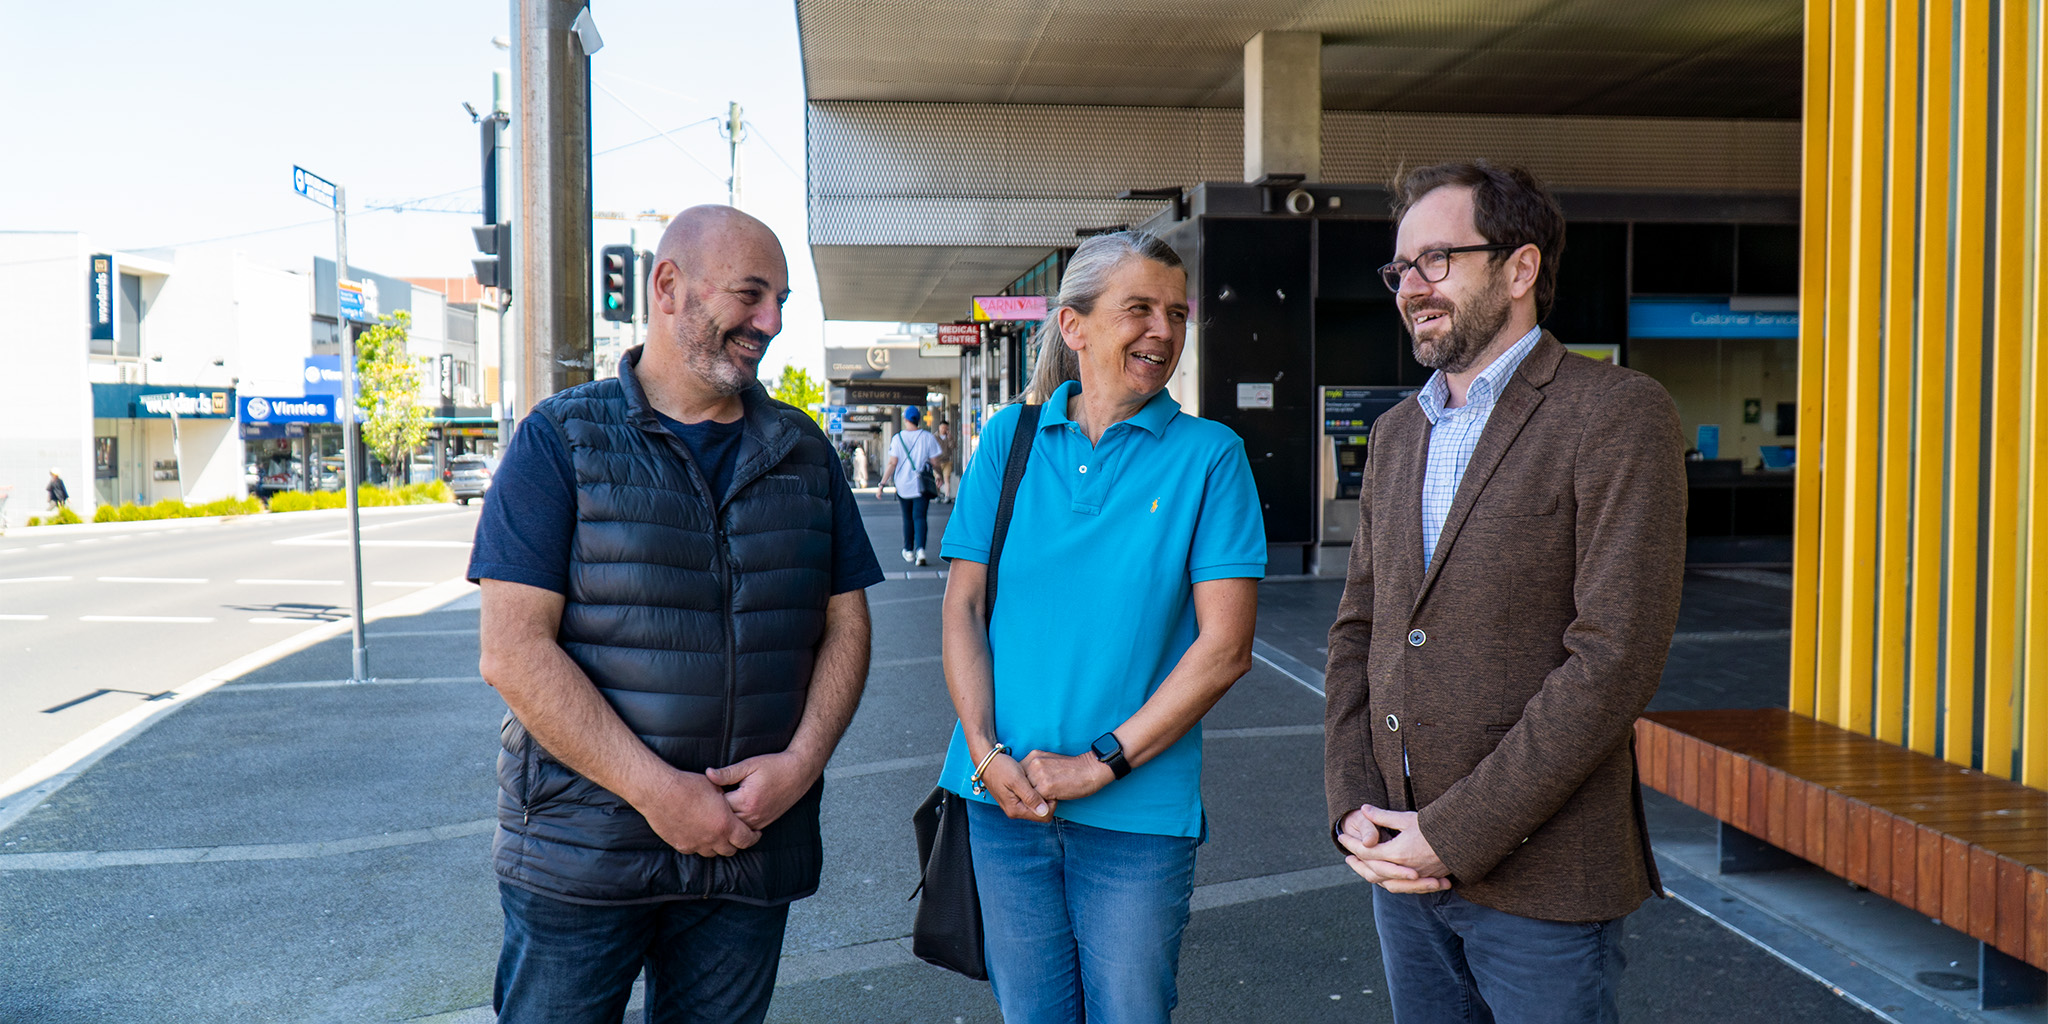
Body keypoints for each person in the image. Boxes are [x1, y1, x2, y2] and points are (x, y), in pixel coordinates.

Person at [468, 205, 885, 1024]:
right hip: (581, 858)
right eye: (751, 294)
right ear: (668, 287)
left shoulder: (804, 451)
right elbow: (513, 651)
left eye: (781, 301)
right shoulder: (561, 439)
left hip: (750, 851)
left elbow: (847, 627)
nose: (769, 322)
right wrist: (657, 792)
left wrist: (799, 766)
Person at [1323, 162, 1686, 1024]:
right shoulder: (1396, 432)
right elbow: (1358, 631)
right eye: (1401, 268)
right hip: (1398, 864)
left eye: (1438, 259)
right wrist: (1351, 807)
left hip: (1545, 882)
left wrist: (1453, 834)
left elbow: (1614, 660)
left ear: (1520, 270)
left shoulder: (1616, 412)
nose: (1411, 288)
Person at [936, 230, 1267, 1023]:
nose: (1163, 330)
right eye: (1140, 309)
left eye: (1177, 313)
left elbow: (1224, 650)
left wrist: (1097, 766)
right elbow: (963, 608)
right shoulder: (1010, 443)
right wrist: (984, 753)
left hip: (1136, 818)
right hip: (1000, 802)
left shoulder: (1210, 456)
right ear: (1073, 325)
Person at [882, 406, 944, 565]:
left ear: (906, 419)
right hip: (921, 484)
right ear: (918, 419)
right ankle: (921, 550)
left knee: (907, 518)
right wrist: (939, 476)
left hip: (903, 485)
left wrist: (882, 483)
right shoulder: (927, 437)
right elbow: (935, 462)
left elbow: (892, 463)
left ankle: (908, 550)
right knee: (920, 517)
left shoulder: (897, 438)